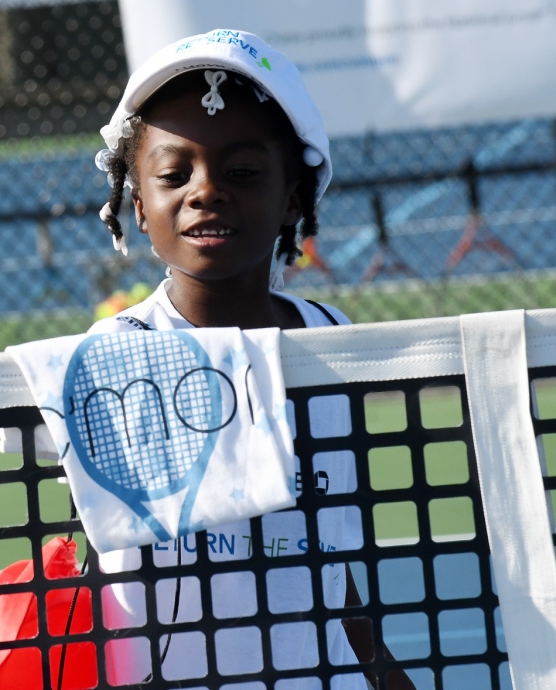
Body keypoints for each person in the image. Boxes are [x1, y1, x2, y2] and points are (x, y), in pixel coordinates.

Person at [85, 29, 415, 689]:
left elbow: (324, 556)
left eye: (241, 172)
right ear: (138, 206)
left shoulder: (333, 340)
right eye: (174, 175)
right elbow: (96, 569)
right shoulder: (107, 356)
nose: (205, 191)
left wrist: (381, 672)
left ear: (293, 196)